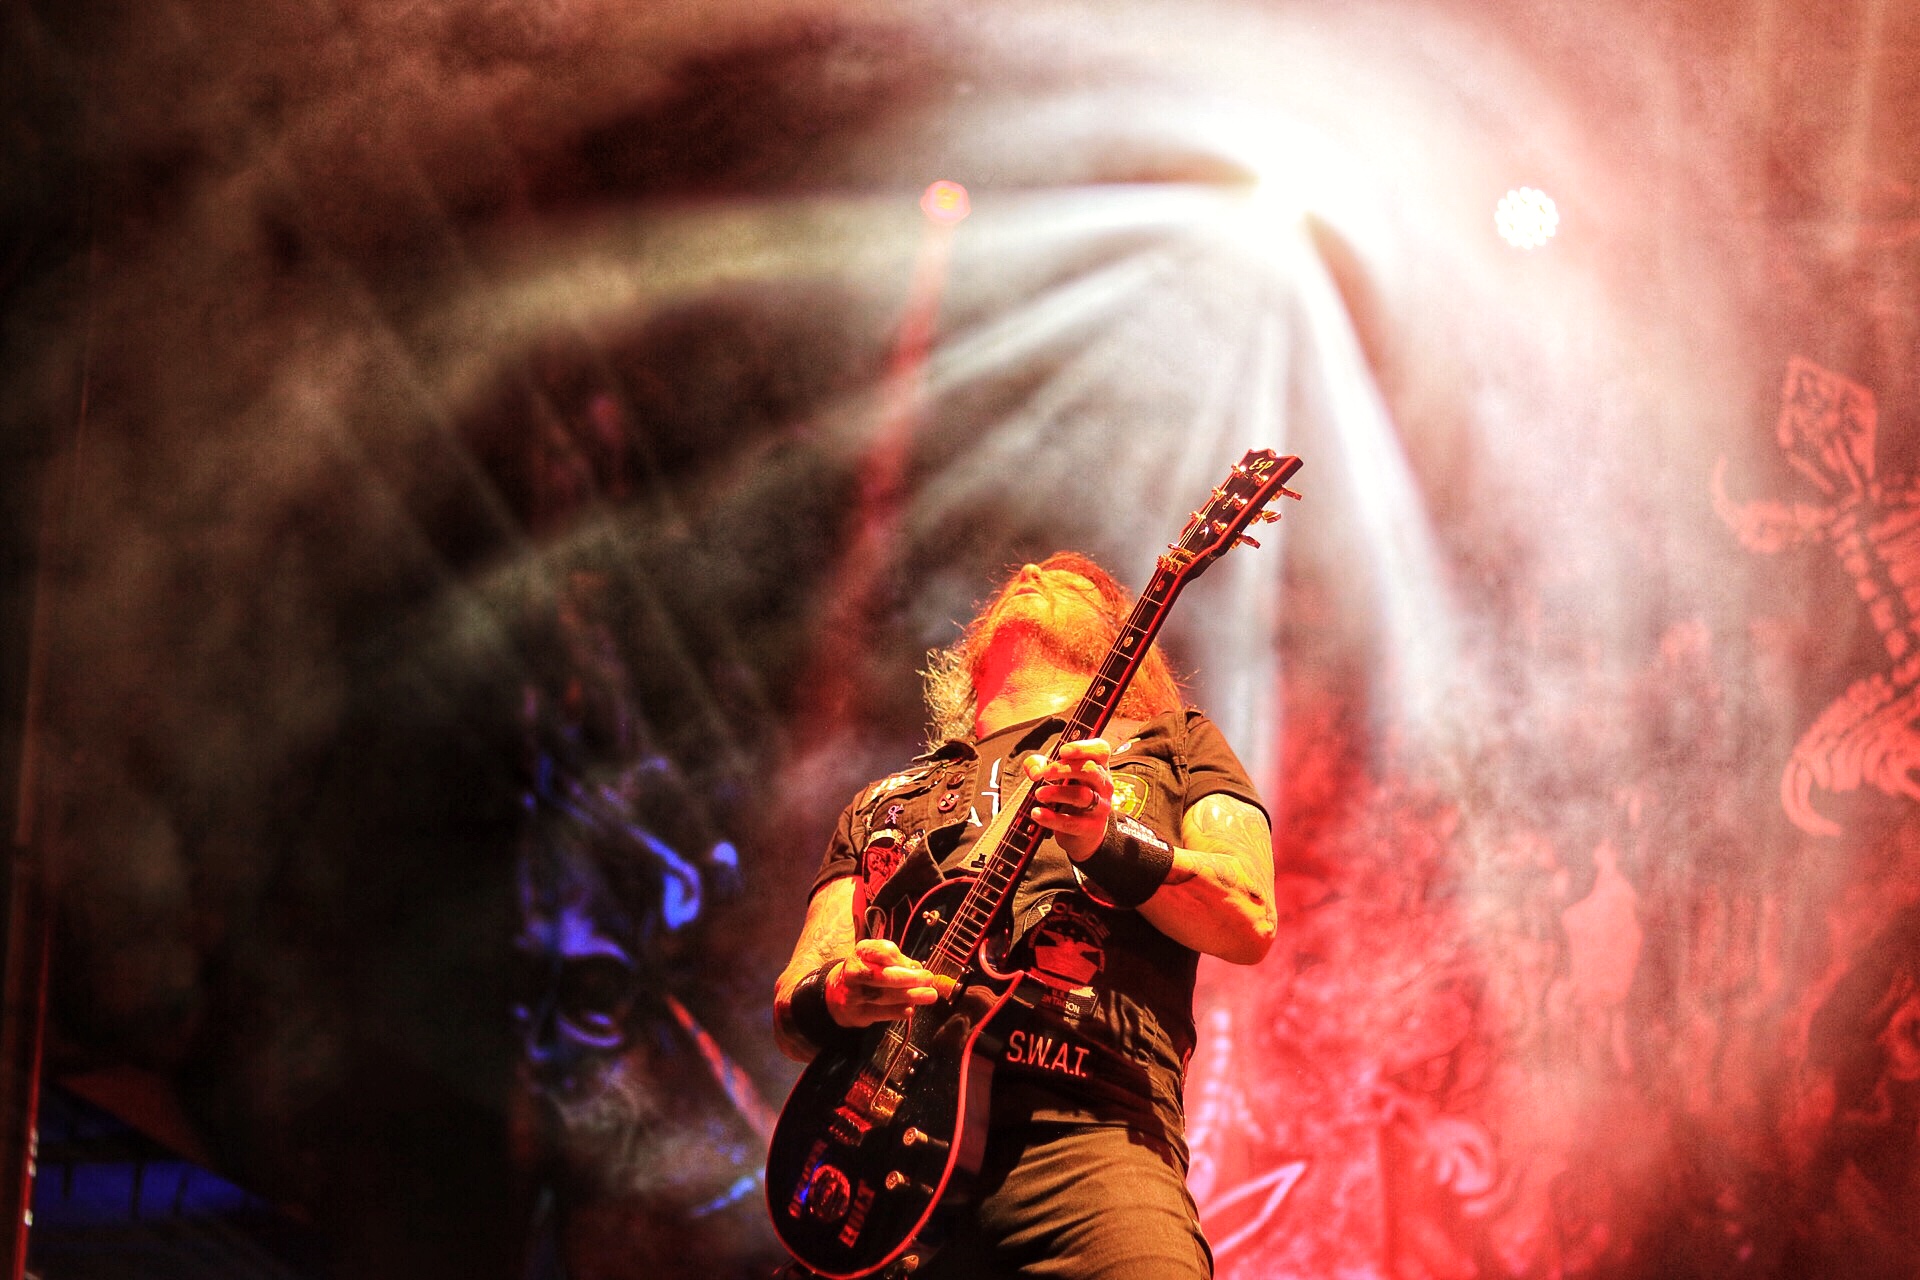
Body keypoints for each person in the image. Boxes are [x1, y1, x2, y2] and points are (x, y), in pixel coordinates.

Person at [772, 551, 1277, 1279]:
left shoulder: (1174, 746)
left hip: (1089, 1142)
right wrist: (843, 991)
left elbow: (1249, 917)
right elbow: (792, 1010)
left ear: (1120, 641)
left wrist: (1106, 841)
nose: (1037, 570)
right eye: (1019, 577)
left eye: (1079, 582)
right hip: (868, 1156)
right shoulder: (884, 799)